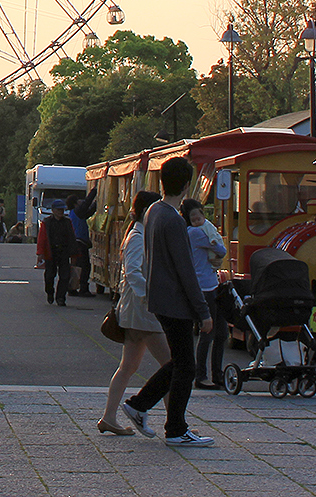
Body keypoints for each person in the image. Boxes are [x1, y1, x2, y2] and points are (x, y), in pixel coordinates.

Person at [119, 156, 214, 448]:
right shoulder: (173, 220)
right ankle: (174, 427)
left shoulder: (153, 212)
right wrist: (203, 311)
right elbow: (186, 271)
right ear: (187, 185)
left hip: (159, 298)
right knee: (187, 365)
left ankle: (141, 404)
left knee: (180, 361)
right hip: (177, 301)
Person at [98, 191, 170, 436]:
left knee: (128, 366)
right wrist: (152, 299)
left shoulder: (139, 234)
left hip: (135, 310)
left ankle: (109, 417)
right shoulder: (139, 237)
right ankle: (174, 422)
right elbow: (134, 273)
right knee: (170, 367)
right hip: (143, 311)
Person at [182, 198, 227, 389]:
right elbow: (221, 249)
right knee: (209, 332)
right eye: (194, 217)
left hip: (210, 284)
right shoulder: (195, 233)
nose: (198, 220)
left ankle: (216, 374)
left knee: (221, 332)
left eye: (199, 216)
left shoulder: (191, 231)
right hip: (205, 286)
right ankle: (202, 375)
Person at [38, 199, 74, 305]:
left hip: (64, 252)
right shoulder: (47, 222)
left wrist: (74, 254)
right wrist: (40, 253)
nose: (61, 212)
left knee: (65, 276)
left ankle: (60, 298)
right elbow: (42, 239)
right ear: (53, 210)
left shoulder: (67, 222)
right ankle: (50, 292)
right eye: (58, 210)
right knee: (49, 276)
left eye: (62, 210)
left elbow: (72, 238)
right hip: (51, 252)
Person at [68, 194, 93, 295]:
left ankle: (73, 287)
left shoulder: (76, 213)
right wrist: (95, 190)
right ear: (75, 203)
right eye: (78, 200)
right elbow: (87, 204)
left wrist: (96, 204)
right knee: (84, 266)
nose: (81, 201)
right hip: (80, 242)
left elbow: (89, 212)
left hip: (78, 242)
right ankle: (82, 287)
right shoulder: (78, 211)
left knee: (79, 266)